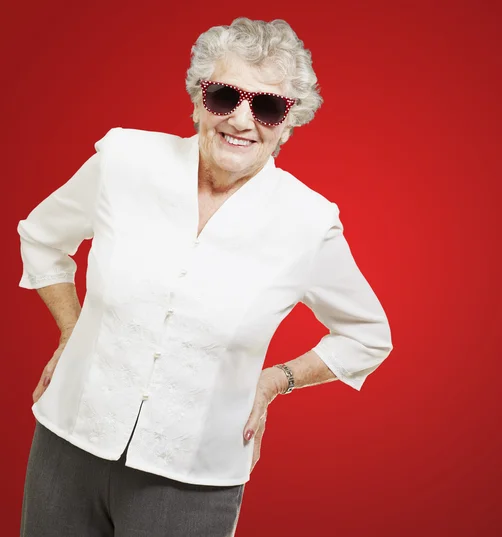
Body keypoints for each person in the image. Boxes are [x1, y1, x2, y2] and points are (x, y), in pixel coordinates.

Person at [18, 17, 393, 537]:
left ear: (288, 123)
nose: (242, 120)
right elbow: (41, 237)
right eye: (224, 96)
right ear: (197, 98)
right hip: (69, 439)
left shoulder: (309, 222)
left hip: (192, 479)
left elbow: (367, 334)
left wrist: (274, 383)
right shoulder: (125, 160)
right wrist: (71, 327)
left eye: (266, 106)